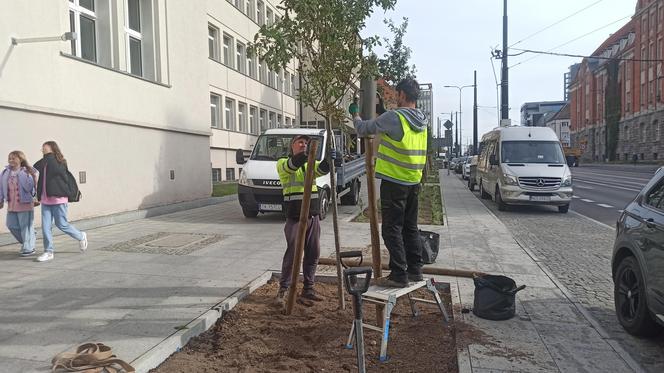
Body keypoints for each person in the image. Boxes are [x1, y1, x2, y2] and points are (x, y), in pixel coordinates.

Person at [353, 77, 428, 288]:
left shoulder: (395, 118)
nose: (395, 98)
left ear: (402, 94)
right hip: (414, 181)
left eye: (397, 95)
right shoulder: (421, 120)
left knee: (391, 229)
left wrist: (354, 114)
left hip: (395, 181)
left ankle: (398, 274)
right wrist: (382, 109)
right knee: (409, 227)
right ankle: (415, 270)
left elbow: (364, 129)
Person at [275, 134, 331, 306]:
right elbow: (293, 165)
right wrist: (307, 155)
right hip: (295, 218)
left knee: (313, 253)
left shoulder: (309, 164)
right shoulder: (283, 163)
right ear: (291, 146)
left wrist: (330, 159)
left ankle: (308, 289)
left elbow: (322, 169)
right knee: (293, 254)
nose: (303, 145)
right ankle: (284, 290)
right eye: (299, 142)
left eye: (306, 143)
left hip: (312, 216)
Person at [33, 141, 87, 262]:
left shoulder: (59, 161)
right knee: (45, 226)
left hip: (59, 198)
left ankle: (81, 236)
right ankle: (48, 251)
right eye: (42, 148)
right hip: (46, 199)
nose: (42, 149)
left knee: (61, 224)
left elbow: (56, 170)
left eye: (44, 147)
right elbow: (34, 167)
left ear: (52, 148)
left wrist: (49, 157)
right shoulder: (44, 162)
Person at [0, 151, 39, 256]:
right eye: (10, 158)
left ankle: (28, 247)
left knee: (25, 227)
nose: (11, 160)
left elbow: (29, 188)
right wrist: (0, 200)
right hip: (11, 205)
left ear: (20, 159)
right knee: (11, 225)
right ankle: (30, 238)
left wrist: (24, 173)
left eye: (14, 158)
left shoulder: (27, 172)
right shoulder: (5, 173)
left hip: (25, 203)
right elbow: (1, 188)